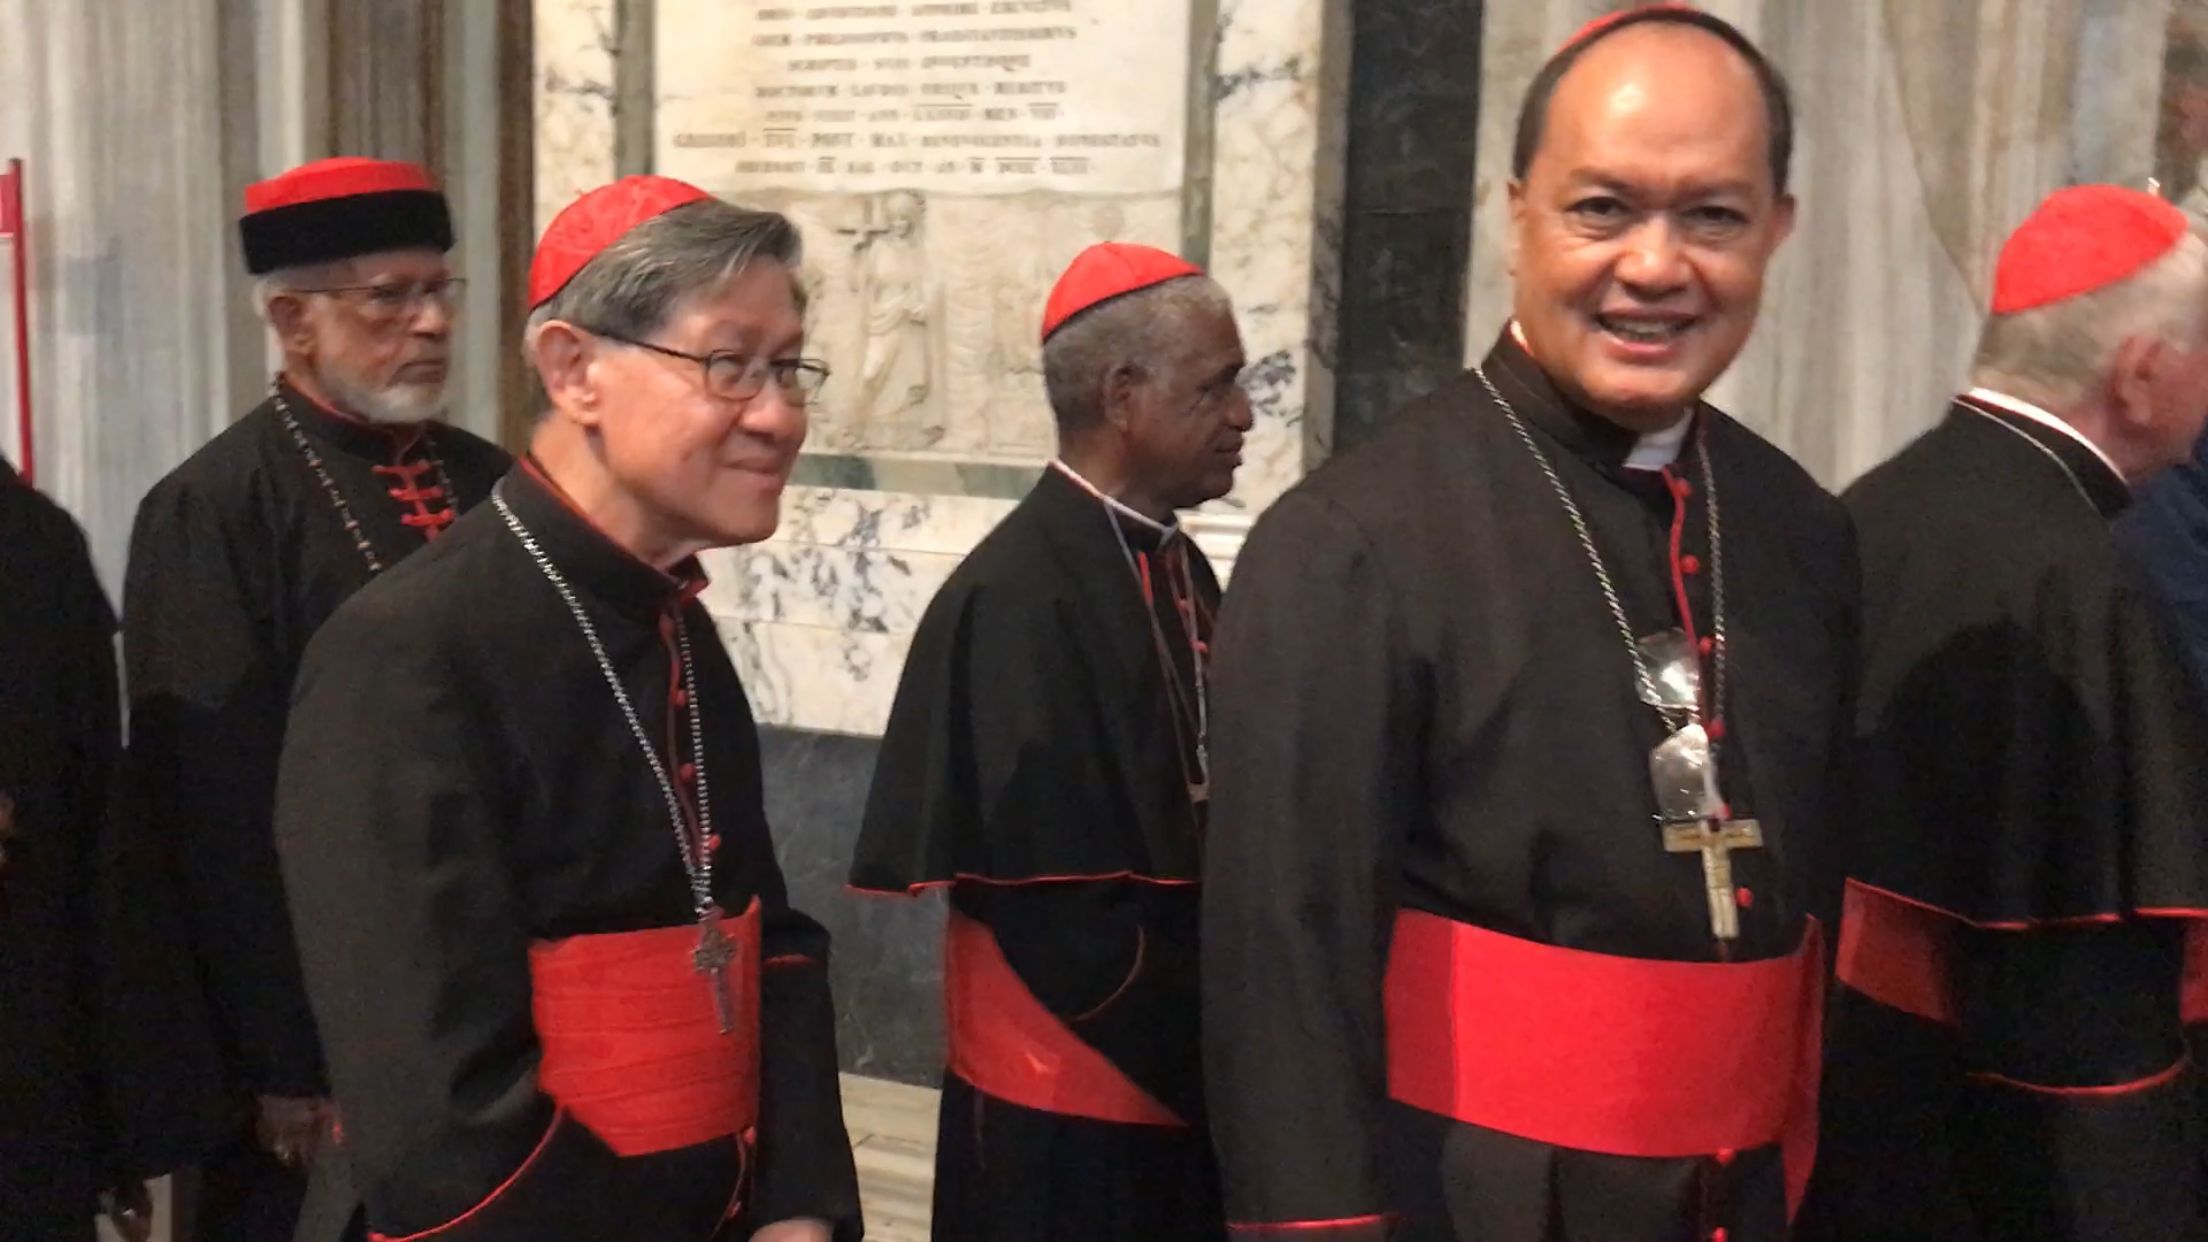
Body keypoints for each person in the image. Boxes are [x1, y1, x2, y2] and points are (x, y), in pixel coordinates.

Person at [1201, 8, 1857, 1240]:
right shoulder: (1353, 546)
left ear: (1780, 230)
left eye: (1712, 215)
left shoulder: (1800, 529)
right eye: (1601, 208)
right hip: (1469, 1198)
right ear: (1517, 216)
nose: (1656, 267)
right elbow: (1282, 967)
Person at [273, 175, 861, 1242]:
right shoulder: (406, 654)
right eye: (729, 364)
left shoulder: (675, 620)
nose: (778, 414)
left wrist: (796, 1207)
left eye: (788, 368)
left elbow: (766, 937)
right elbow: (437, 1113)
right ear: (574, 367)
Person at [1802, 185, 2208, 1242]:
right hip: (1993, 1167)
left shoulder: (1876, 502)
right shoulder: (2084, 586)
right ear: (2143, 369)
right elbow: (2087, 998)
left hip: (1846, 1110)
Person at [119, 156, 510, 1239]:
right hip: (316, 1022)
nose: (431, 323)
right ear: (293, 320)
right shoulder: (213, 508)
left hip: (490, 993)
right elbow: (206, 813)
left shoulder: (496, 483)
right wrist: (282, 1058)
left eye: (441, 290)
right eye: (390, 297)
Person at [850, 242, 1250, 1241]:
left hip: (1173, 1071)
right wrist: (1232, 1056)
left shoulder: (1178, 565)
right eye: (1218, 386)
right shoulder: (1016, 599)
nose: (1244, 415)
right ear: (1125, 395)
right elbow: (1063, 921)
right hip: (1073, 1104)